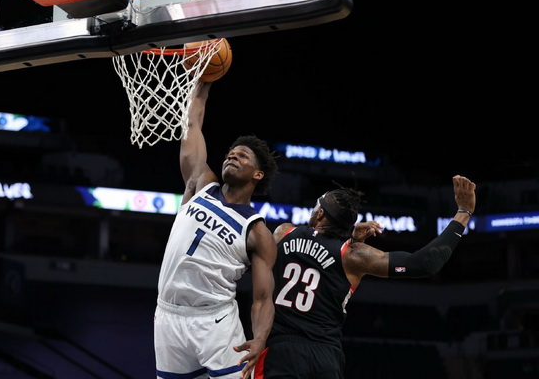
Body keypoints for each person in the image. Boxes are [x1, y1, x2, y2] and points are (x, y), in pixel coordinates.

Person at [254, 175, 477, 378]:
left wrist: (348, 238)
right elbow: (426, 263)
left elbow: (305, 254)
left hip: (281, 350)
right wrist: (463, 212)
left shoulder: (284, 232)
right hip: (325, 358)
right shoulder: (352, 256)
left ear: (320, 213)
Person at [154, 81, 279, 379]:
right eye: (230, 153)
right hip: (167, 315)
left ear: (257, 174)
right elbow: (192, 124)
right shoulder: (200, 184)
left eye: (242, 156)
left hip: (214, 320)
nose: (232, 156)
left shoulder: (256, 230)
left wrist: (260, 338)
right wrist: (203, 83)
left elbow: (262, 298)